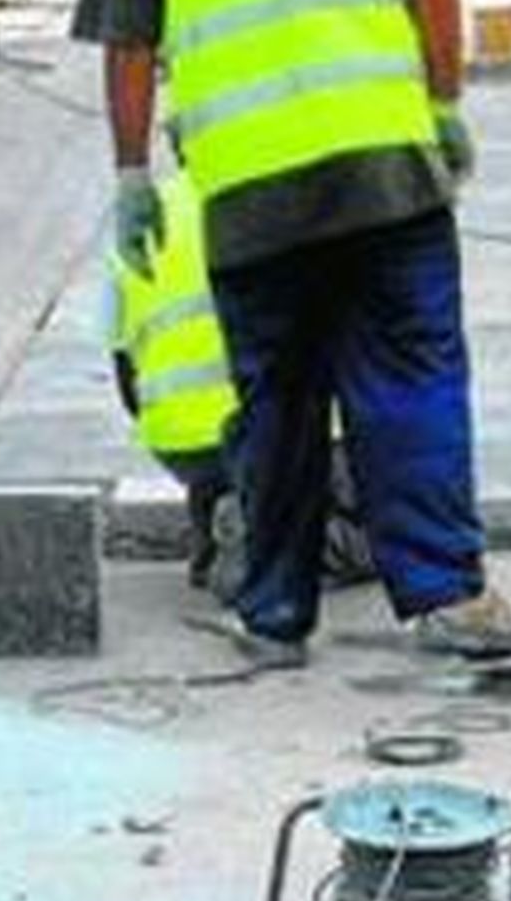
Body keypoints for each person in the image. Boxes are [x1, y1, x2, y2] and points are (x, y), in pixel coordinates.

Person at [73, 0, 511, 670]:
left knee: (275, 399)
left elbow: (126, 43)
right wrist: (442, 103)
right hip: (383, 174)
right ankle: (447, 596)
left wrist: (131, 176)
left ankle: (275, 609)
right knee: (409, 376)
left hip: (248, 192)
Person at [111, 159, 373, 596]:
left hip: (182, 443)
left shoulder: (146, 213)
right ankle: (263, 535)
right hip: (276, 433)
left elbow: (124, 370)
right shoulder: (300, 197)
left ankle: (218, 534)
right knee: (392, 543)